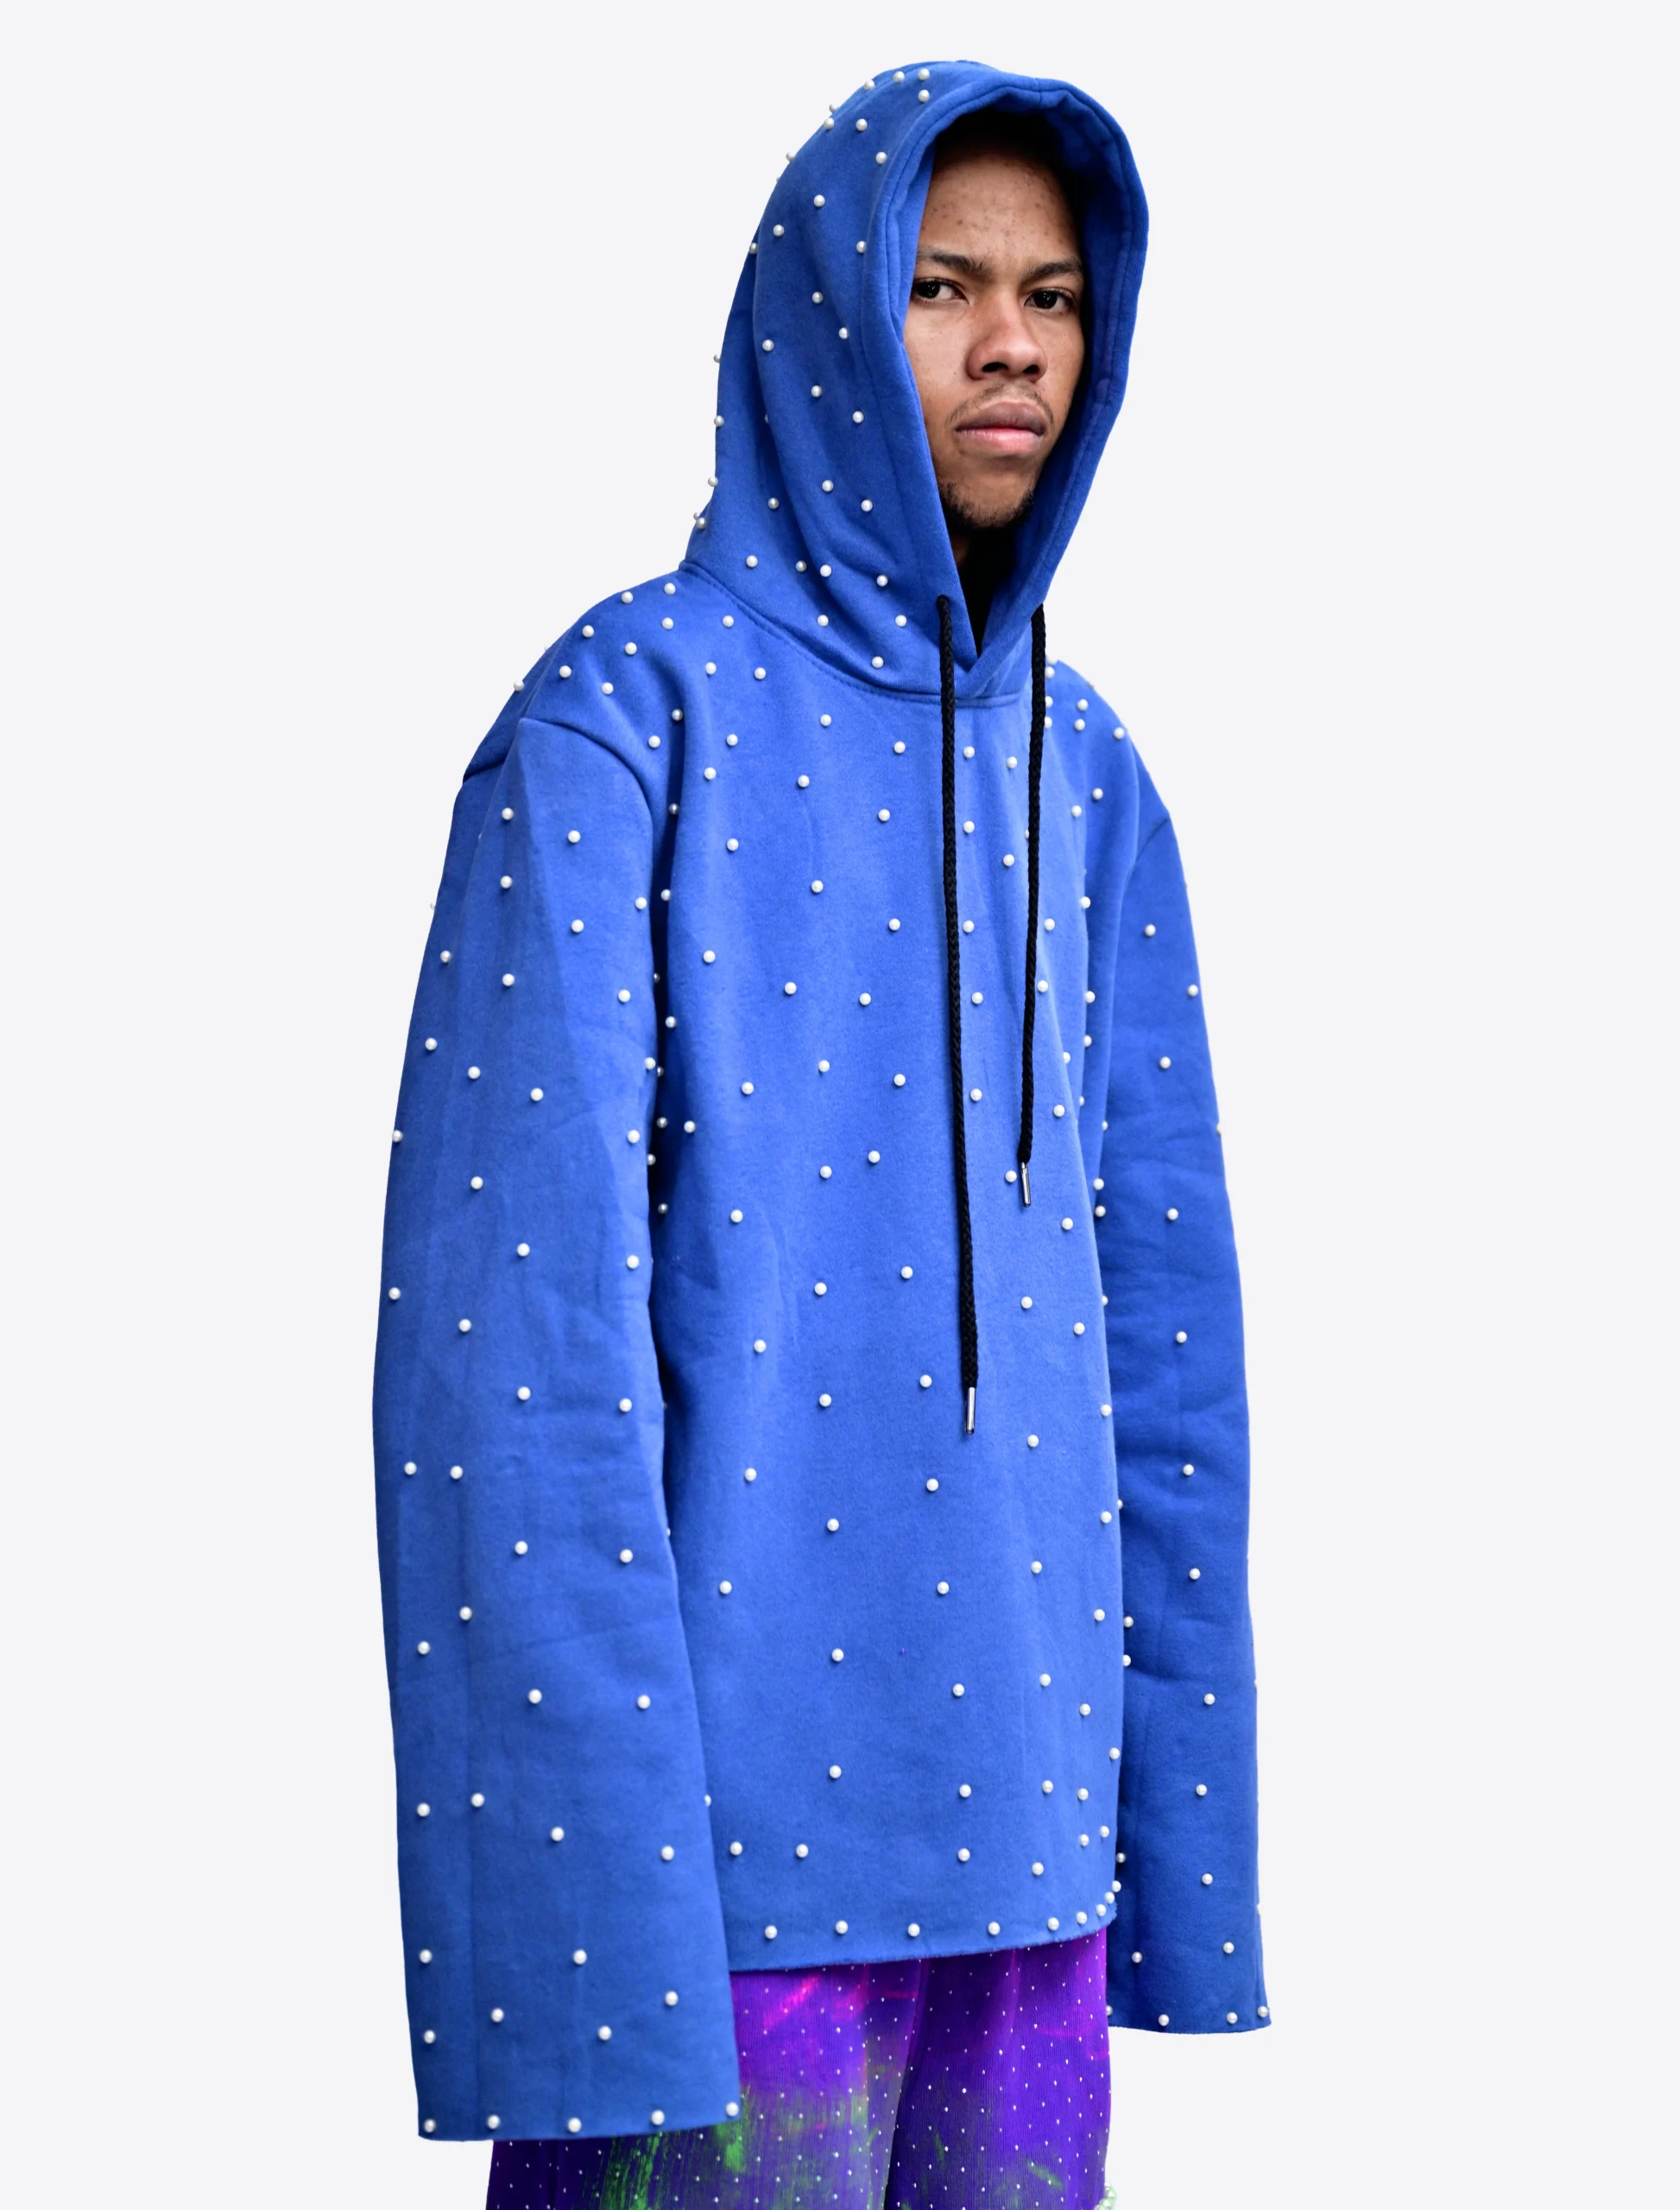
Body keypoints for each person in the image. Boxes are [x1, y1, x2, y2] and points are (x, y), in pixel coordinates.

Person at [373, 58, 1266, 2210]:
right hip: (718, 1883)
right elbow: (509, 1366)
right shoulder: (625, 716)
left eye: (1053, 294)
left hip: (1030, 1860)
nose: (1010, 346)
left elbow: (1165, 1345)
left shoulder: (1086, 767)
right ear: (824, 315)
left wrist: (1175, 1836)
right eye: (942, 285)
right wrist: (581, 1901)